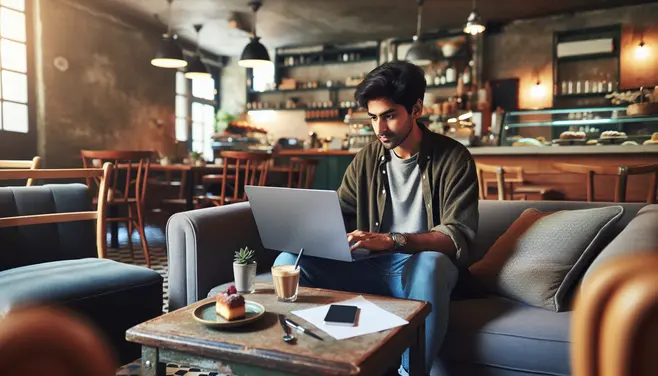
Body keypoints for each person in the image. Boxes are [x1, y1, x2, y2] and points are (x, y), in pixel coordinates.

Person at [273, 60, 479, 376]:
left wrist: (392, 240)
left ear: (416, 109)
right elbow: (340, 212)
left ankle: (410, 372)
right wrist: (310, 228)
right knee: (289, 260)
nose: (380, 129)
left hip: (417, 269)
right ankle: (307, 361)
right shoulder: (366, 159)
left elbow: (456, 236)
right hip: (370, 267)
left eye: (389, 116)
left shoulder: (454, 159)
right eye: (373, 118)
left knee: (432, 263)